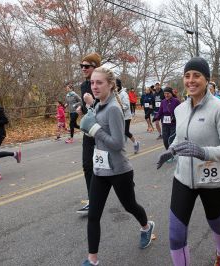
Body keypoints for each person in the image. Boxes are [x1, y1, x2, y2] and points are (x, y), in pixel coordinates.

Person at [156, 57, 220, 266]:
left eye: (197, 76)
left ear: (207, 79)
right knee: (176, 235)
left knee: (217, 224)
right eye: (187, 76)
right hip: (183, 178)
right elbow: (180, 137)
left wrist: (204, 152)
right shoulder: (180, 109)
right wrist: (171, 149)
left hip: (213, 181)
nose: (191, 80)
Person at [80, 67, 154, 266]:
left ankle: (146, 227)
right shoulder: (99, 104)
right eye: (93, 82)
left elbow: (118, 144)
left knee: (130, 205)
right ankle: (92, 260)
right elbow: (97, 132)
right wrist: (89, 126)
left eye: (99, 82)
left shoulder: (113, 107)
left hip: (119, 170)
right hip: (100, 169)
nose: (94, 86)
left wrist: (95, 130)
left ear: (110, 84)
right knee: (94, 215)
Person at [75, 52, 102, 215]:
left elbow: (107, 106)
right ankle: (93, 200)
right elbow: (87, 109)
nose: (83, 69)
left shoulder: (104, 82)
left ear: (95, 67)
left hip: (102, 130)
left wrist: (92, 103)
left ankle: (125, 186)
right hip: (89, 131)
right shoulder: (84, 85)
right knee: (87, 165)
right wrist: (82, 109)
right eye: (81, 66)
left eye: (87, 66)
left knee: (107, 166)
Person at [116, 79, 140, 154]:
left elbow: (126, 105)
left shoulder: (123, 94)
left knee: (126, 132)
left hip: (126, 116)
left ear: (118, 85)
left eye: (115, 86)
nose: (114, 87)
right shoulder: (114, 93)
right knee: (118, 132)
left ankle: (136, 143)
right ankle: (120, 147)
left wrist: (118, 107)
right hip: (118, 116)